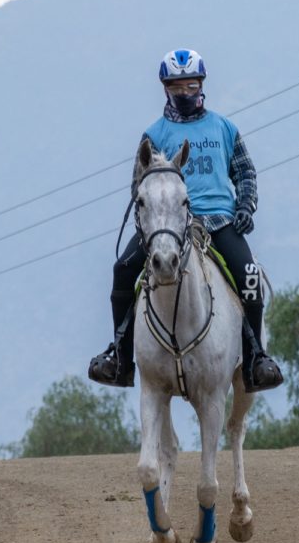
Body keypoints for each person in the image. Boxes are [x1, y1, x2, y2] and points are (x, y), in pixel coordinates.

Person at [88, 48, 283, 393]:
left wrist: (246, 207)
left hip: (220, 222)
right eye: (177, 87)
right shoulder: (153, 134)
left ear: (201, 85)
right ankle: (120, 355)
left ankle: (255, 358)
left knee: (250, 275)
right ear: (166, 88)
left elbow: (245, 172)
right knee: (122, 269)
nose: (185, 93)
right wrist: (150, 227)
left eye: (191, 85)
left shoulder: (225, 128)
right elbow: (139, 187)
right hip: (168, 227)